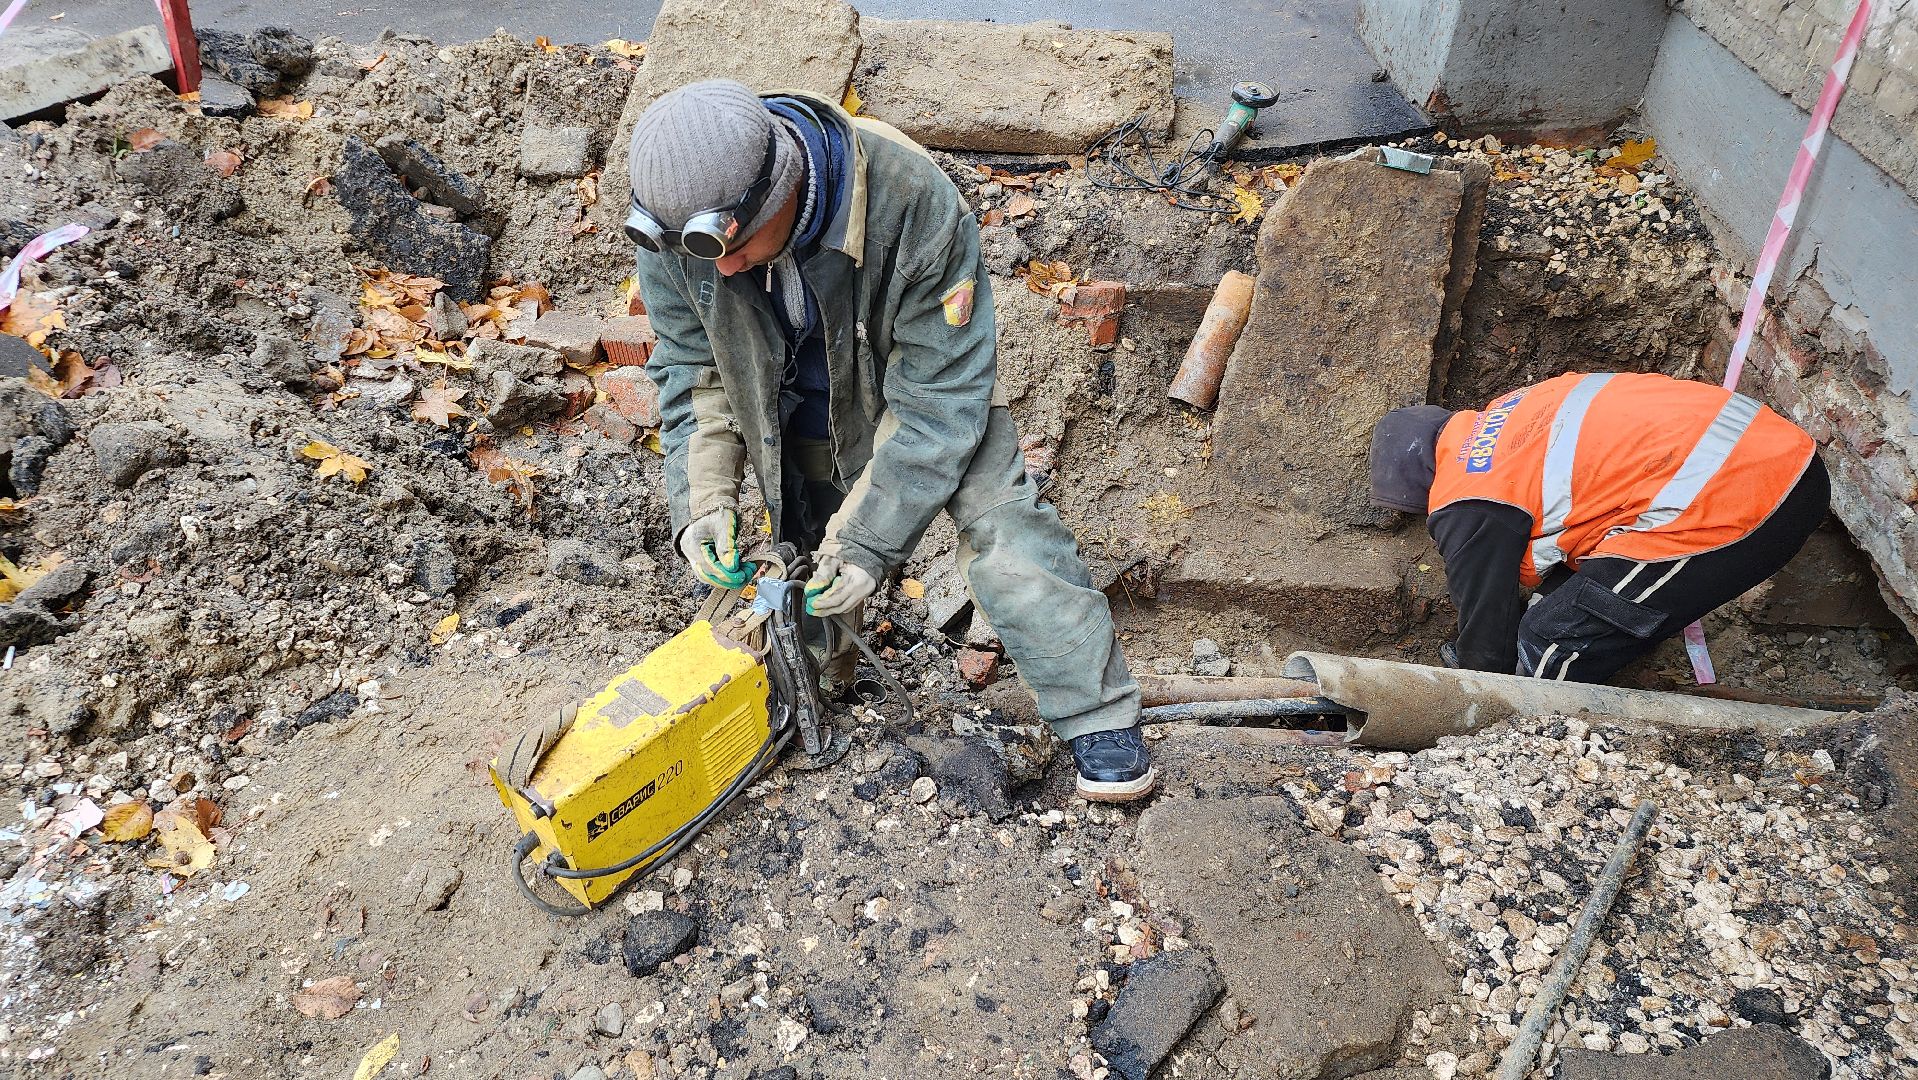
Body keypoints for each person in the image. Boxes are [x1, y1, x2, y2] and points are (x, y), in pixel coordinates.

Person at [625, 79, 1155, 802]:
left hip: (917, 382)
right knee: (809, 537)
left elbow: (940, 402)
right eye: (702, 254)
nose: (721, 269)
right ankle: (814, 679)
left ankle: (1096, 711)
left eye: (735, 244)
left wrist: (873, 542)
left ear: (784, 187)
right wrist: (706, 499)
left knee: (1000, 515)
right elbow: (693, 370)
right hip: (787, 391)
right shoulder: (676, 218)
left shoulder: (912, 199)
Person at [1368, 371, 1826, 683]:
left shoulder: (1466, 497)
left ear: (1424, 488)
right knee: (1560, 605)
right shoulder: (1515, 413)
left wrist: (1472, 685)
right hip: (1774, 452)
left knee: (1547, 642)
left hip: (1742, 495)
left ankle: (1522, 751)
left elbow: (1485, 626)